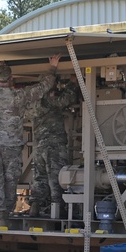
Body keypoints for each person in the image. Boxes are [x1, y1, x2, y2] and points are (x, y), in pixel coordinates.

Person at [0, 54, 61, 229]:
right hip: (12, 145)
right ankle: (6, 216)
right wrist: (52, 67)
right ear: (11, 78)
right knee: (10, 180)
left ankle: (0, 216)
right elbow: (43, 87)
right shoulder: (20, 95)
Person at [27, 76, 78, 218]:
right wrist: (72, 83)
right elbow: (68, 99)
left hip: (39, 147)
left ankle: (35, 205)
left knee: (40, 177)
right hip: (54, 145)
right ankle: (58, 211)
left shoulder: (34, 103)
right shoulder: (50, 101)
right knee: (56, 178)